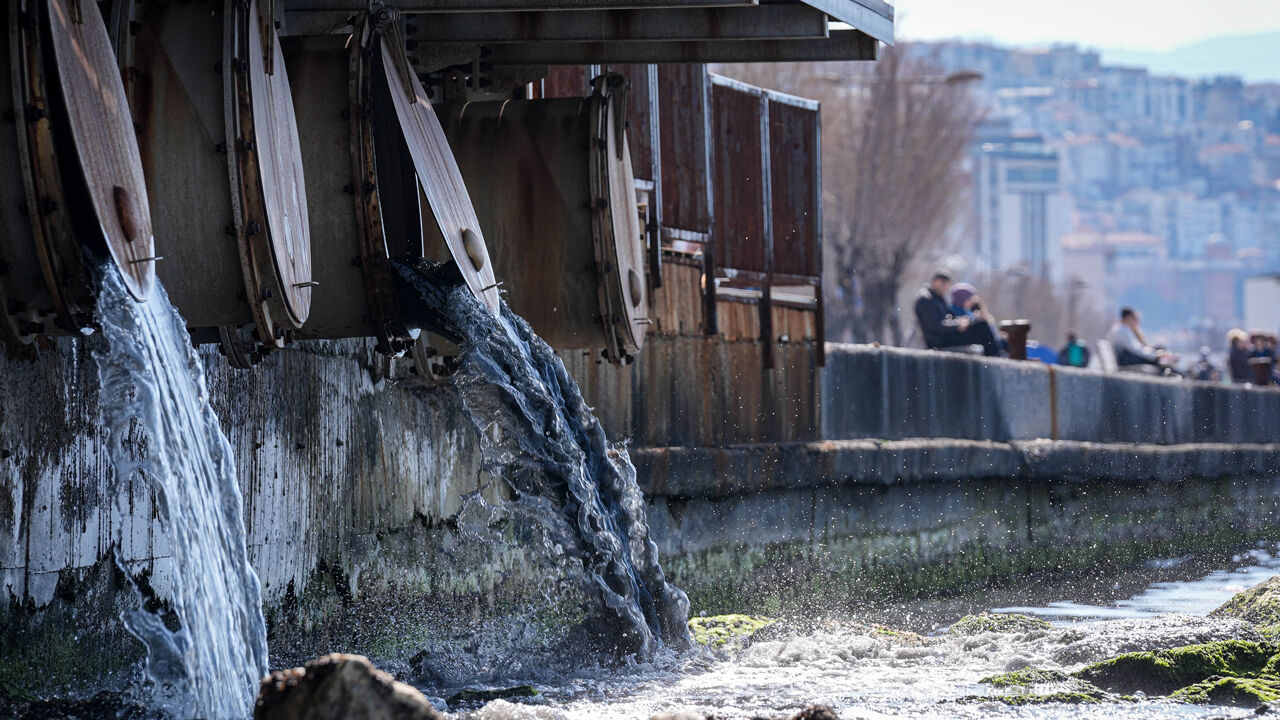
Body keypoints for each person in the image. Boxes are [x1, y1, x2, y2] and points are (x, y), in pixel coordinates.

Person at [913, 271, 1001, 356]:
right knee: (982, 329)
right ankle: (994, 359)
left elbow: (949, 317)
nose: (946, 289)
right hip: (939, 340)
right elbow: (934, 325)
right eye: (945, 285)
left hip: (945, 335)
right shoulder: (926, 298)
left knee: (981, 324)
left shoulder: (937, 297)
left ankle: (993, 357)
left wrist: (966, 320)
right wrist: (957, 326)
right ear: (937, 282)